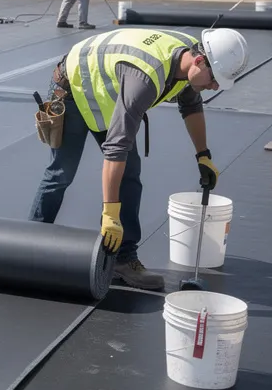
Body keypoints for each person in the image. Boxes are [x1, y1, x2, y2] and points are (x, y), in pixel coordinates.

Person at [29, 27, 250, 290]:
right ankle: (30, 249)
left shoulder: (189, 59)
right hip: (74, 86)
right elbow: (116, 149)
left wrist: (203, 155)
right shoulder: (145, 79)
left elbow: (190, 105)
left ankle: (122, 259)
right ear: (200, 61)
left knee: (130, 174)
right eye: (215, 79)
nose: (214, 87)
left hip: (106, 92)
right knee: (61, 174)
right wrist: (110, 213)